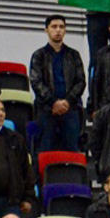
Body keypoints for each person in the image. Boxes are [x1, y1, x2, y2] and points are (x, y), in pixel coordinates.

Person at [28, 14, 85, 153]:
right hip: (46, 109)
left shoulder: (74, 55)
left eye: (61, 27)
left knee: (72, 151)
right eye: (54, 27)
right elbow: (36, 82)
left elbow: (81, 81)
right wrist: (53, 102)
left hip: (70, 108)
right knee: (45, 150)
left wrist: (67, 102)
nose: (58, 30)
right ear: (46, 30)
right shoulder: (38, 55)